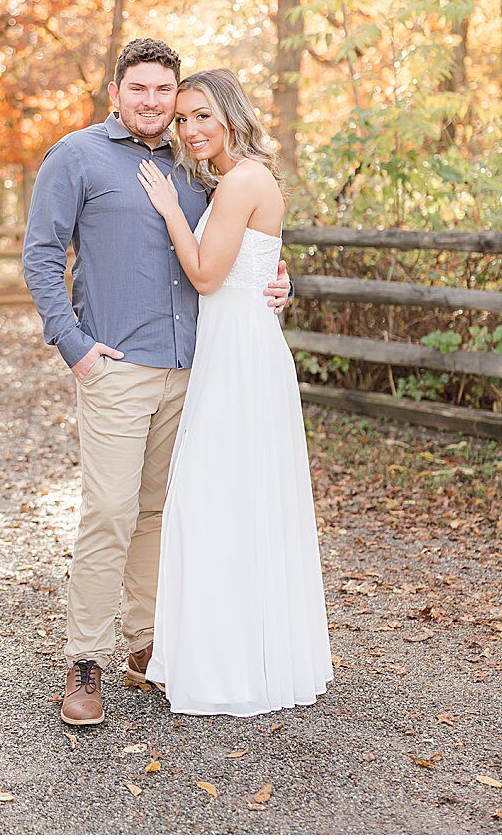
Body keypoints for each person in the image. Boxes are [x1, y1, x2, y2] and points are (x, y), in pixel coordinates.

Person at [21, 37, 291, 727]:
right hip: (117, 367)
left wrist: (276, 283)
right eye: (138, 89)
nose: (152, 102)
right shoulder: (76, 155)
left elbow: (233, 250)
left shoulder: (195, 163)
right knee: (109, 511)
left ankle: (147, 645)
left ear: (177, 98)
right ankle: (85, 660)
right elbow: (42, 257)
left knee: (161, 514)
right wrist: (74, 346)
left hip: (196, 369)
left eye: (163, 92)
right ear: (116, 92)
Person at [136, 68, 332, 716]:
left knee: (216, 497)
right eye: (183, 118)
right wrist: (280, 282)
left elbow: (205, 272)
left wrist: (168, 211)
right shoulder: (236, 179)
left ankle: (231, 666)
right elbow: (257, 266)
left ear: (229, 116)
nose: (190, 129)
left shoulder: (243, 179)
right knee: (232, 497)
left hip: (241, 358)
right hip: (238, 345)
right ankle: (235, 652)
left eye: (201, 116)